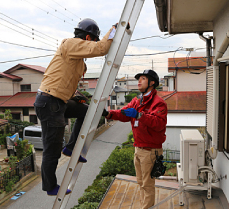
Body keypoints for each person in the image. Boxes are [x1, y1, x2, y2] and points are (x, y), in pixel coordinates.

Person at [34, 18, 116, 196]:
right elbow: (101, 48)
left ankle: (70, 148)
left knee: (87, 111)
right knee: (52, 149)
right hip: (49, 102)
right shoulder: (71, 44)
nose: (91, 46)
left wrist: (78, 97)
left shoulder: (79, 61)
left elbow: (67, 81)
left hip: (59, 100)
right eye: (92, 41)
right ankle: (50, 187)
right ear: (87, 37)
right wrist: (115, 29)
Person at [103, 69, 167, 209]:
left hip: (150, 151)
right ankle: (145, 205)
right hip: (138, 148)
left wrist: (139, 115)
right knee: (140, 182)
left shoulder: (158, 103)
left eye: (143, 79)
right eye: (139, 79)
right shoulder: (138, 100)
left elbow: (159, 123)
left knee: (147, 184)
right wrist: (108, 114)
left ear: (152, 83)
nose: (139, 81)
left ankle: (146, 207)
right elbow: (124, 113)